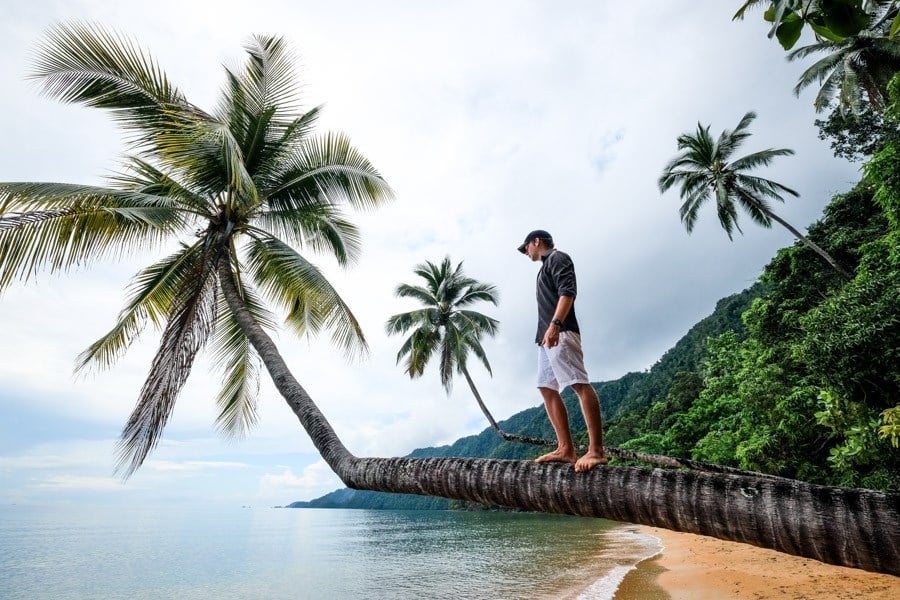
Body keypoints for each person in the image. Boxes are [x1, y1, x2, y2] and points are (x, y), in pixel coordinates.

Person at [518, 229, 607, 472]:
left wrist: (555, 325)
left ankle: (596, 450)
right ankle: (566, 449)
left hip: (561, 332)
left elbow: (568, 292)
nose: (525, 252)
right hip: (546, 339)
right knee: (546, 388)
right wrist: (546, 333)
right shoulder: (543, 267)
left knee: (578, 383)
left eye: (526, 247)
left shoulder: (558, 258)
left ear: (537, 242)